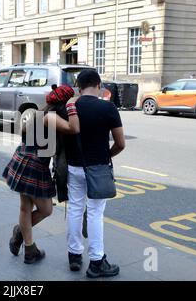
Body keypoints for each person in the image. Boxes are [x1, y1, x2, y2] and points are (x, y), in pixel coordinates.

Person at [4, 85, 79, 264]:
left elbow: (23, 131)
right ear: (63, 103)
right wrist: (72, 105)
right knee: (46, 210)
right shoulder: (50, 117)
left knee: (26, 207)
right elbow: (73, 128)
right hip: (34, 164)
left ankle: (29, 247)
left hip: (23, 158)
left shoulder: (40, 113)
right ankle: (23, 237)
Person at [64, 69, 125, 278]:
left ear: (79, 88)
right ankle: (97, 261)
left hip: (73, 166)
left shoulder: (70, 107)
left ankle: (74, 255)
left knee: (74, 208)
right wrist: (107, 155)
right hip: (97, 167)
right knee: (95, 213)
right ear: (99, 85)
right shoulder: (107, 107)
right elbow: (120, 143)